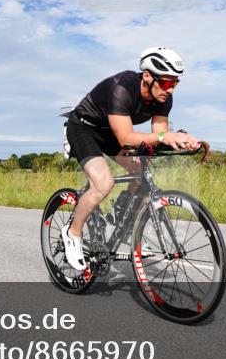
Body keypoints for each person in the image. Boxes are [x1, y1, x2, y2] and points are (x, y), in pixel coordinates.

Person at [61, 47, 200, 271]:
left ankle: (121, 220)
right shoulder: (122, 88)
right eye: (166, 82)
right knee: (103, 183)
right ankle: (72, 232)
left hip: (110, 132)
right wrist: (165, 136)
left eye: (175, 83)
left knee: (140, 168)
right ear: (147, 76)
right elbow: (126, 136)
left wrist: (184, 140)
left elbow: (159, 136)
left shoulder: (164, 98)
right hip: (84, 128)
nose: (171, 89)